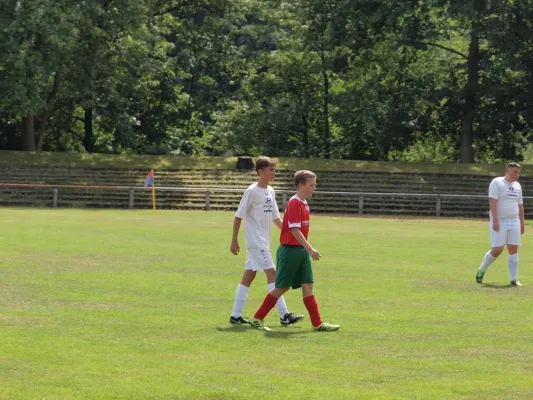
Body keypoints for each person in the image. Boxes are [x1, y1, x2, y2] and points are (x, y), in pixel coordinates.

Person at [249, 170, 340, 332]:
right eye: (311, 185)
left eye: (314, 185)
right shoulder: (294, 203)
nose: (314, 188)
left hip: (300, 252)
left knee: (308, 286)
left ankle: (317, 324)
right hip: (290, 251)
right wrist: (310, 248)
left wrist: (306, 250)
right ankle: (257, 318)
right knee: (282, 287)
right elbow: (294, 229)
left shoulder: (304, 203)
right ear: (300, 185)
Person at [229, 156, 304, 326]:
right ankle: (284, 315)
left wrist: (292, 234)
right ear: (260, 171)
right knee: (273, 273)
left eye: (274, 169)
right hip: (256, 242)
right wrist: (234, 241)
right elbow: (238, 216)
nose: (273, 173)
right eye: (270, 169)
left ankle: (235, 315)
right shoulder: (252, 191)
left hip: (263, 242)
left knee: (248, 276)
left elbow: (277, 218)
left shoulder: (271, 191)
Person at [476, 162, 525, 286]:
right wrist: (495, 220)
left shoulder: (517, 186)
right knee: (497, 250)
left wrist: (522, 223)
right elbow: (492, 201)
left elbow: (520, 205)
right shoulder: (497, 182)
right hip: (500, 220)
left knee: (513, 248)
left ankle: (514, 279)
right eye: (515, 172)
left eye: (518, 173)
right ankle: (481, 269)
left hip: (514, 220)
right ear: (507, 171)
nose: (517, 175)